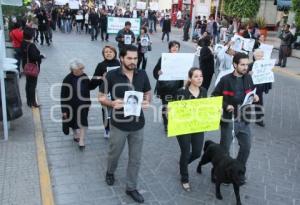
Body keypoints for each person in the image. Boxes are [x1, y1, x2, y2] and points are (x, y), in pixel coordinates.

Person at [99, 45, 151, 203]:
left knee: (135, 158)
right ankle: (110, 171)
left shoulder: (142, 74)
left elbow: (148, 92)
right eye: (129, 58)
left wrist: (147, 101)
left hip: (138, 125)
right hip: (119, 124)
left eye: (135, 58)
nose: (133, 61)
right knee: (114, 154)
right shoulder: (111, 75)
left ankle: (131, 187)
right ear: (121, 58)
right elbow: (100, 97)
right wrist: (111, 103)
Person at [212, 52, 259, 168]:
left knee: (246, 147)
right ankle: (218, 171)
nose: (245, 67)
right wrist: (226, 106)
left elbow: (252, 92)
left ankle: (238, 169)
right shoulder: (225, 80)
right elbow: (214, 97)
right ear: (235, 64)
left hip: (244, 120)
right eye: (242, 65)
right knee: (224, 149)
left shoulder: (248, 77)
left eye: (246, 65)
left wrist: (255, 96)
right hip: (229, 121)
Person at [175, 67, 207, 191]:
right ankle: (184, 177)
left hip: (198, 126)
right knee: (185, 150)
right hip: (183, 127)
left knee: (197, 152)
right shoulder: (181, 92)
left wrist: (216, 110)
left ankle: (183, 164)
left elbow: (206, 107)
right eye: (196, 76)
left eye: (201, 76)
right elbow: (173, 110)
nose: (199, 79)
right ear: (190, 78)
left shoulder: (204, 91)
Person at [153, 41, 184, 132]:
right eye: (173, 47)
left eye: (177, 47)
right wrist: (158, 72)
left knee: (175, 106)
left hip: (177, 87)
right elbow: (156, 71)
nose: (175, 48)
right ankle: (166, 124)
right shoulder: (163, 58)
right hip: (165, 87)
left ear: (179, 49)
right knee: (166, 106)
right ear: (169, 48)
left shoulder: (182, 59)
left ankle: (173, 120)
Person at [90, 46, 120, 138]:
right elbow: (93, 82)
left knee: (118, 109)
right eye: (106, 52)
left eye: (110, 51)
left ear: (115, 53)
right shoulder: (101, 65)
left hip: (118, 91)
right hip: (105, 92)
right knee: (106, 112)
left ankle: (117, 128)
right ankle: (107, 129)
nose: (108, 53)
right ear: (103, 54)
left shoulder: (119, 63)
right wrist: (102, 78)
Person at [61, 59, 91, 150]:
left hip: (83, 105)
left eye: (83, 68)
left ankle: (81, 141)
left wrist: (100, 80)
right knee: (73, 121)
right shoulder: (67, 79)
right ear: (74, 69)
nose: (83, 70)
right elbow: (63, 96)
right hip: (71, 106)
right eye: (81, 69)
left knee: (83, 122)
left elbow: (89, 87)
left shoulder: (84, 76)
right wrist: (64, 110)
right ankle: (75, 134)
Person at [247, 49, 272, 127]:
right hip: (250, 87)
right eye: (258, 56)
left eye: (261, 56)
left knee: (259, 103)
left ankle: (259, 120)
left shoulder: (265, 65)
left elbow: (268, 75)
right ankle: (243, 116)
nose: (259, 57)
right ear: (254, 56)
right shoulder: (251, 65)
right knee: (246, 102)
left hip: (259, 88)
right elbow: (244, 74)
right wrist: (249, 74)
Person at [21, 27, 44, 108]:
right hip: (32, 68)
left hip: (25, 66)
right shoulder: (31, 45)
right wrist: (40, 56)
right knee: (32, 85)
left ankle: (29, 101)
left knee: (28, 84)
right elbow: (34, 57)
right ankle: (33, 102)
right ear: (31, 36)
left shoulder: (23, 43)